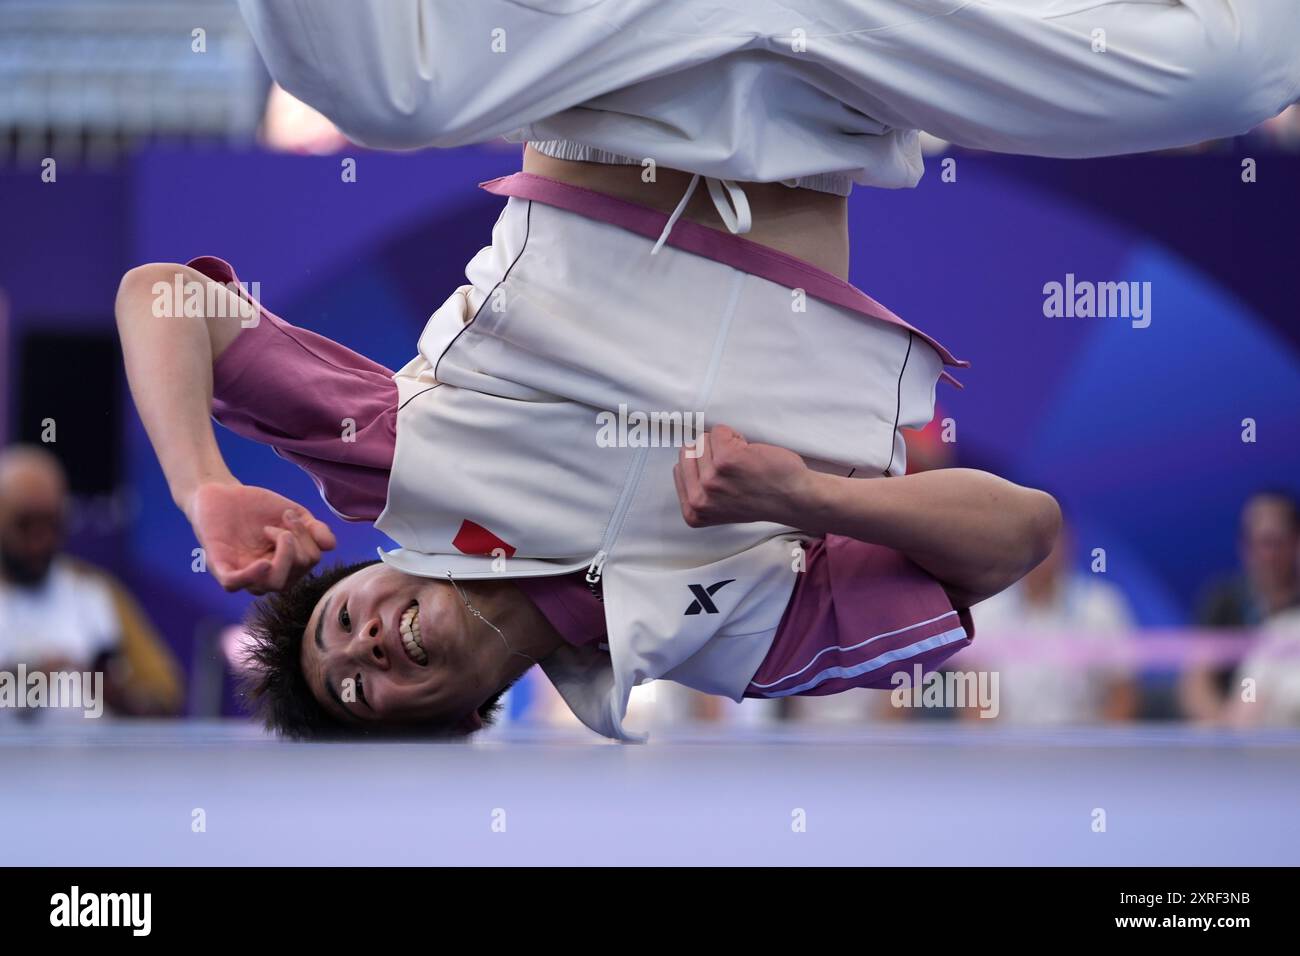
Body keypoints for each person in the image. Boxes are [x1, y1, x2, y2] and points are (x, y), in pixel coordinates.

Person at [0, 445, 184, 716]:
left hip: (92, 756)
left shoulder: (95, 592)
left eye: (51, 524)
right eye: (25, 524)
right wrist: (26, 681)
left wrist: (116, 695)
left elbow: (165, 694)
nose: (40, 541)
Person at [964, 522, 1139, 725]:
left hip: (1084, 748)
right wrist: (988, 753)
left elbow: (1122, 694)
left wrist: (1103, 752)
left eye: (1048, 542)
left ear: (1068, 544)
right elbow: (976, 703)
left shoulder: (1101, 607)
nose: (1038, 554)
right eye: (1026, 542)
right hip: (1008, 750)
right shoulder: (985, 611)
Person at [1180, 491, 1300, 722]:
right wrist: (1227, 737)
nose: (1268, 554)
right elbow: (1196, 684)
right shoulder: (1223, 601)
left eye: (1276, 542)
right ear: (1244, 546)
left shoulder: (1287, 627)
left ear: (1295, 542)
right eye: (1260, 543)